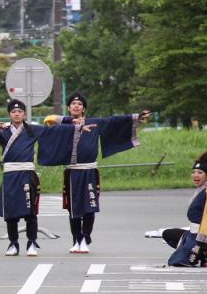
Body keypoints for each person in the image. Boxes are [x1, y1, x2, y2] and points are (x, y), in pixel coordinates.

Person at [45, 92, 151, 254]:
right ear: (68, 107)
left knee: (89, 206)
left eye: (79, 104)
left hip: (89, 171)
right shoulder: (63, 125)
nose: (76, 106)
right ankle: (76, 240)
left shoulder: (94, 123)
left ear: (84, 108)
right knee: (74, 209)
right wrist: (71, 121)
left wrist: (136, 117)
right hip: (73, 172)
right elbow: (48, 119)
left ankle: (85, 238)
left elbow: (114, 121)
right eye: (73, 104)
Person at [0, 98, 86, 257]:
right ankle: (13, 244)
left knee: (30, 213)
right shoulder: (2, 130)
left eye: (20, 111)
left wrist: (74, 124)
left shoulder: (32, 130)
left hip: (27, 174)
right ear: (9, 114)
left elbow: (54, 131)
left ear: (24, 113)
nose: (17, 114)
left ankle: (31, 243)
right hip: (9, 175)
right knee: (10, 214)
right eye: (14, 112)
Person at [163, 151, 207, 267]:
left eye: (200, 172)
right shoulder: (201, 189)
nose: (195, 175)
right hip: (192, 232)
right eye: (194, 172)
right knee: (167, 234)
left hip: (201, 235)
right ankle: (192, 250)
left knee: (179, 261)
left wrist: (206, 242)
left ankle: (206, 252)